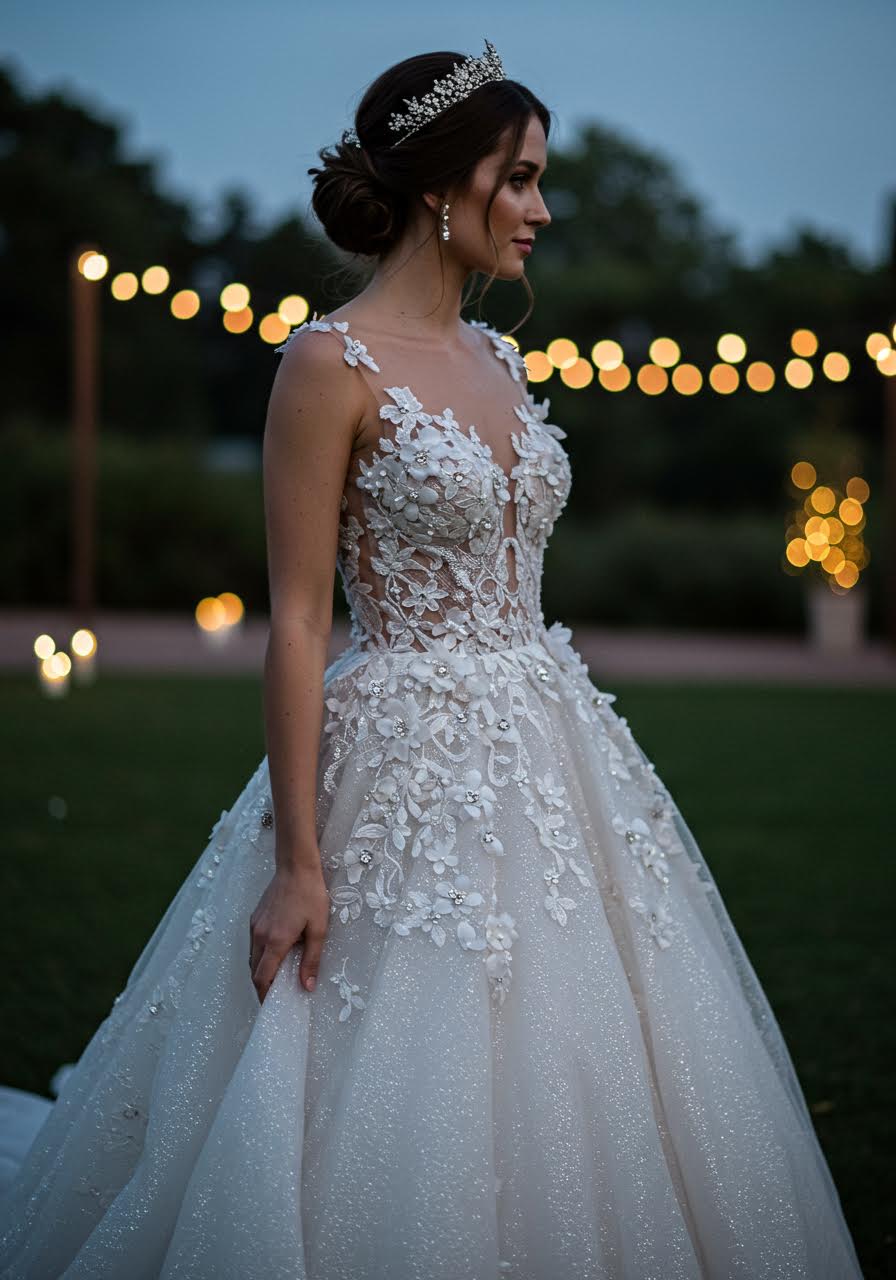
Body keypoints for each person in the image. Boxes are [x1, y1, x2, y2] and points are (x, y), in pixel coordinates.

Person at [0, 38, 864, 1280]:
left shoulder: (502, 362)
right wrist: (300, 862)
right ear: (438, 188)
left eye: (537, 180)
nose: (539, 209)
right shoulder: (325, 364)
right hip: (395, 763)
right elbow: (297, 621)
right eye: (517, 179)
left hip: (555, 750)